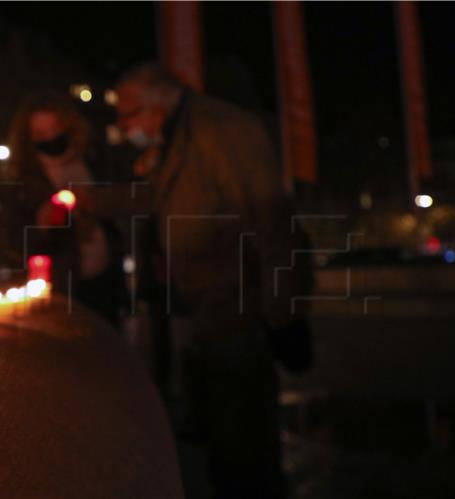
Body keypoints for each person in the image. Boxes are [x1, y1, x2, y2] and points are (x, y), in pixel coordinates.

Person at [76, 64, 312, 499]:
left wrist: (283, 313)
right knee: (226, 436)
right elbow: (154, 197)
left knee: (245, 443)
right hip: (212, 309)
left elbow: (273, 224)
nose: (124, 127)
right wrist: (91, 200)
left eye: (129, 114)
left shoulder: (221, 131)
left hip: (240, 308)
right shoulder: (182, 138)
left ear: (159, 103)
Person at [6, 92, 128, 326]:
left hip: (106, 279)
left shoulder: (94, 161)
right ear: (28, 138)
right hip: (64, 287)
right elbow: (15, 244)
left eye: (55, 128)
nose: (51, 137)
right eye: (41, 133)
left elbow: (121, 205)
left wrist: (94, 202)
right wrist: (43, 225)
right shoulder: (24, 183)